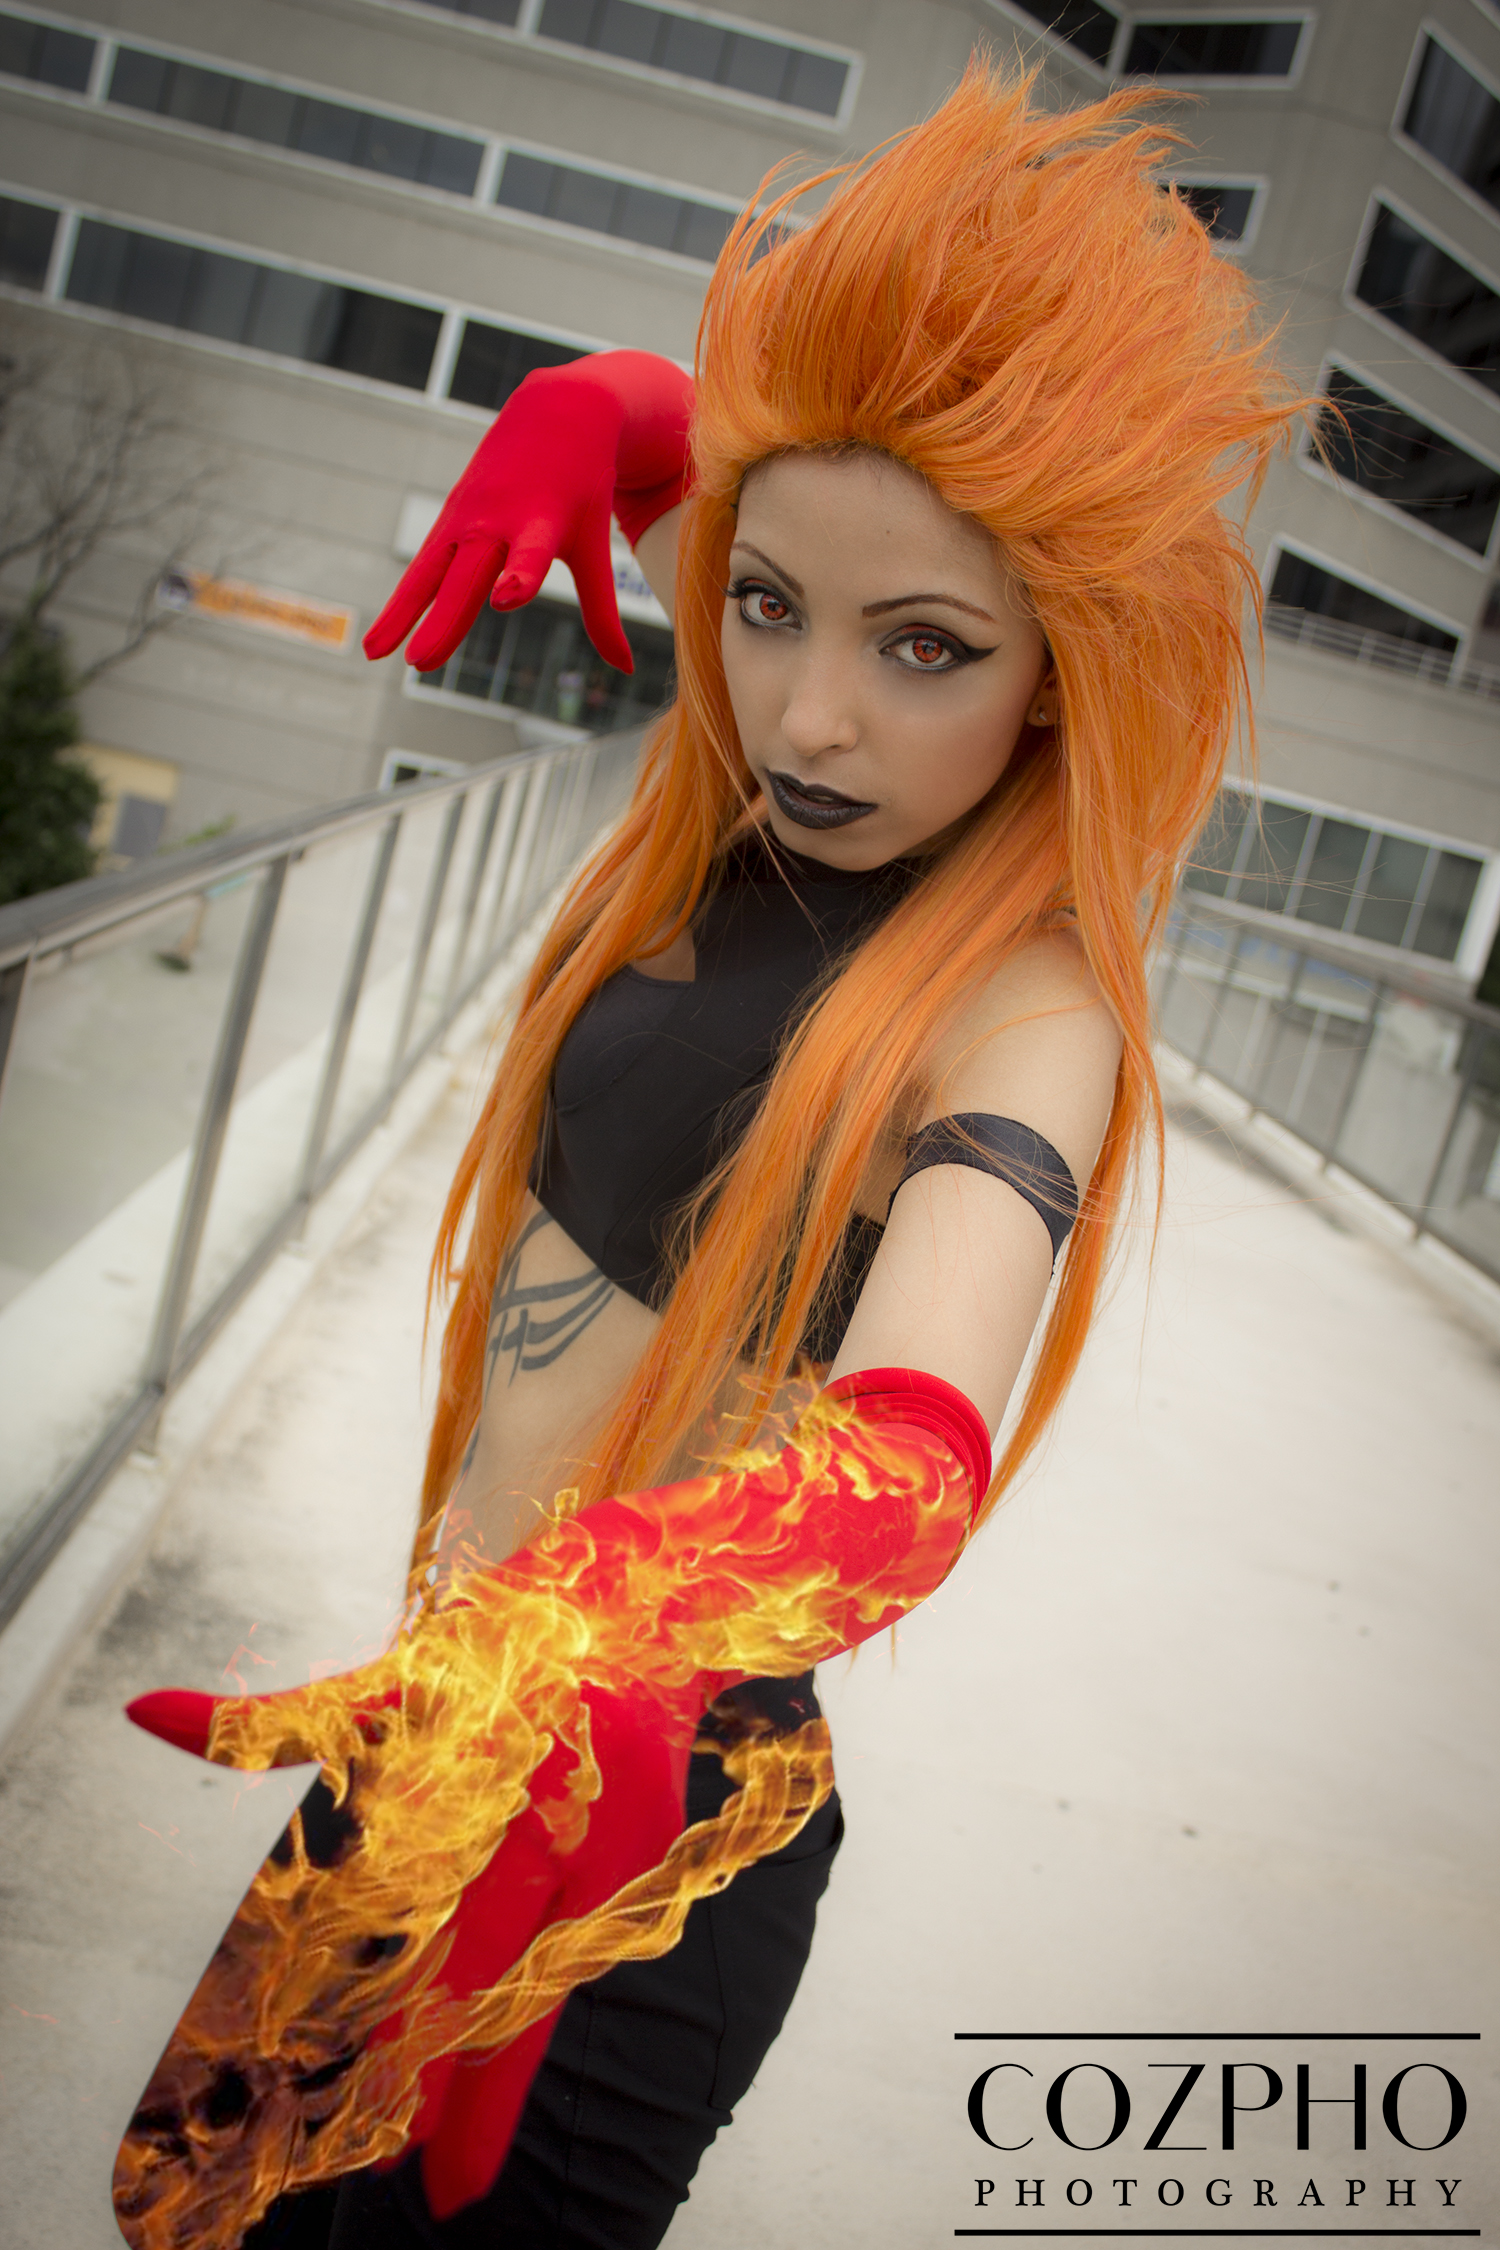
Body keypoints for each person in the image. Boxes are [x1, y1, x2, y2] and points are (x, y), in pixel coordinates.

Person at [114, 62, 1301, 2250]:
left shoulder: (1022, 1007)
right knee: (191, 2211)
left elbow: (914, 1440)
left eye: (927, 650)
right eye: (764, 609)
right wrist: (626, 403)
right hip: (438, 1734)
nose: (811, 712)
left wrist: (633, 1617)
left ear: (1062, 673)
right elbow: (801, 500)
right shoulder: (767, 793)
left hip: (636, 1863)